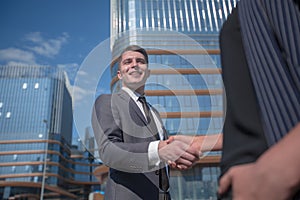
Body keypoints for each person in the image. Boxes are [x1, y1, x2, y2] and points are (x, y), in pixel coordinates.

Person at [92, 45, 199, 200]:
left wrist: (174, 157)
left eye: (140, 61)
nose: (134, 64)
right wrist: (159, 149)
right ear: (120, 74)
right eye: (128, 62)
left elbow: (158, 155)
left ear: (147, 73)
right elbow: (108, 151)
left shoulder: (155, 113)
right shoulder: (107, 101)